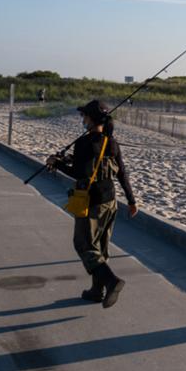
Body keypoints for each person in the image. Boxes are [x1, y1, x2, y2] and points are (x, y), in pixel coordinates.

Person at [47, 100, 138, 308]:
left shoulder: (84, 143)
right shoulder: (111, 142)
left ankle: (112, 281)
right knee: (101, 248)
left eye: (84, 116)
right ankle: (97, 291)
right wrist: (131, 201)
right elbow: (121, 172)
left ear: (91, 119)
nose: (83, 119)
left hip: (91, 203)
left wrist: (57, 163)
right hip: (111, 201)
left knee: (84, 244)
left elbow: (78, 173)